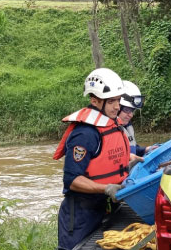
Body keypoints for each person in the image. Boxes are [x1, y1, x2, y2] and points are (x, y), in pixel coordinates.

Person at [53, 68, 136, 250]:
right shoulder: (85, 134)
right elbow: (72, 180)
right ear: (94, 100)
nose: (117, 106)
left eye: (118, 100)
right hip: (81, 216)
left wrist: (132, 161)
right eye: (112, 101)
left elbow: (107, 160)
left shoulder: (111, 125)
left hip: (104, 208)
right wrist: (106, 188)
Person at [117, 80, 149, 157]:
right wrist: (127, 158)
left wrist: (145, 149)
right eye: (127, 110)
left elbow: (132, 149)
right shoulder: (109, 131)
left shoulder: (127, 126)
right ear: (117, 108)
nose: (131, 115)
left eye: (132, 110)